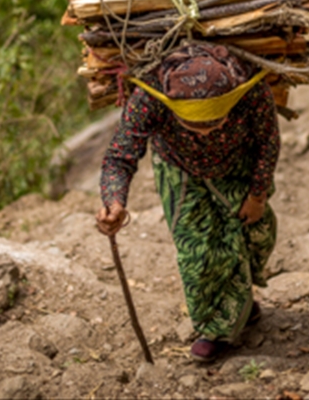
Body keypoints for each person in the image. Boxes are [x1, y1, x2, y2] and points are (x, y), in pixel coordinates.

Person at [95, 43, 279, 363]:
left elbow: (268, 141)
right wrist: (114, 201)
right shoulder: (149, 98)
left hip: (239, 165)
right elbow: (119, 156)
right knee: (200, 252)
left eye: (215, 121)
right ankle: (216, 328)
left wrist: (257, 195)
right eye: (196, 125)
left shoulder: (251, 89)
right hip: (178, 169)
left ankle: (242, 305)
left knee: (253, 236)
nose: (207, 132)